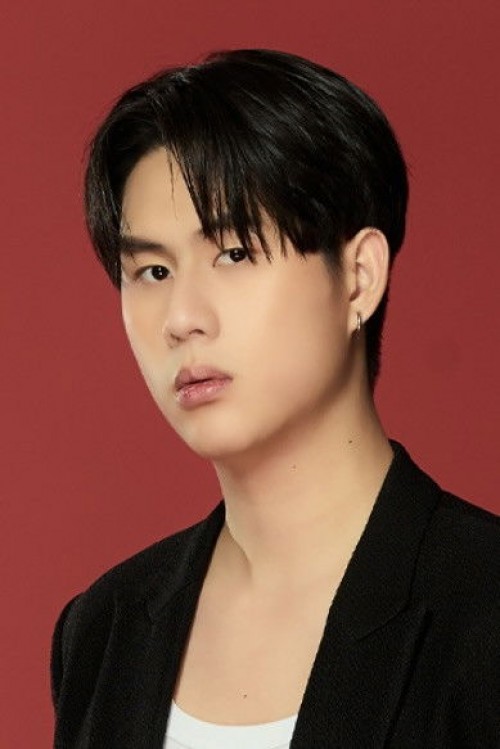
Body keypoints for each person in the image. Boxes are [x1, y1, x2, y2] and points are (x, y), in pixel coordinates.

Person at [51, 49, 500, 748]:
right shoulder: (104, 628)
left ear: (358, 277)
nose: (181, 318)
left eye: (233, 254)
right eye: (153, 271)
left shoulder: (482, 611)